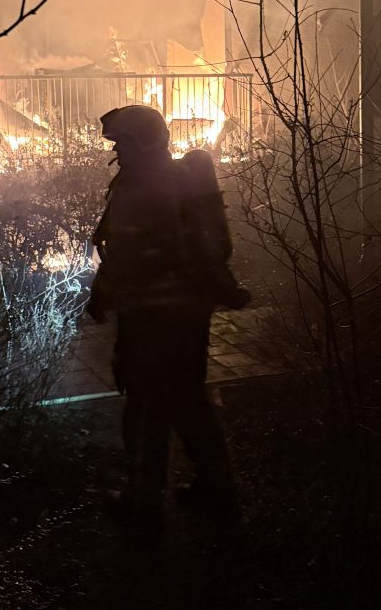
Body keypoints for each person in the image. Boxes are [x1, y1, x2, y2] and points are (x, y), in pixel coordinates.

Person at [87, 105, 251, 537]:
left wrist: (104, 296)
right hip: (187, 313)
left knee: (145, 408)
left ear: (144, 143)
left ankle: (143, 505)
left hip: (153, 316)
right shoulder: (173, 181)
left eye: (123, 142)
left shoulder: (143, 189)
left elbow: (125, 256)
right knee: (187, 399)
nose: (118, 151)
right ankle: (216, 485)